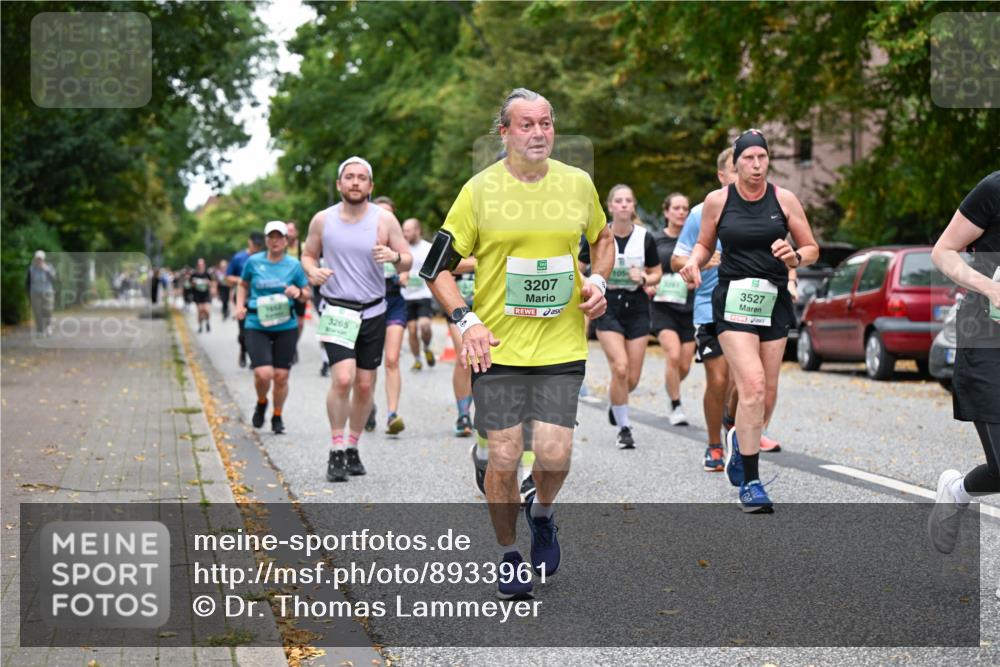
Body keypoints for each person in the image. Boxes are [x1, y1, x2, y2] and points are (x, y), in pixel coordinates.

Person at [424, 88, 612, 599]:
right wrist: (467, 321)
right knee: (505, 456)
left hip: (561, 344)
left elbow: (603, 239)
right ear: (503, 133)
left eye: (546, 123)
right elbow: (434, 268)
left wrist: (598, 282)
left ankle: (543, 514)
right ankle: (509, 555)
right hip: (498, 348)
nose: (538, 133)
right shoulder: (478, 192)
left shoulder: (578, 185)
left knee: (554, 456)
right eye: (526, 125)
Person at [680, 129, 818, 513]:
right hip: (733, 302)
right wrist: (693, 262)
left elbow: (811, 248)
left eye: (762, 158)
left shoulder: (784, 199)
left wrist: (795, 257)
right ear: (735, 163)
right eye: (748, 159)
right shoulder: (717, 201)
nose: (756, 166)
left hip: (772, 302)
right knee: (752, 384)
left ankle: (740, 445)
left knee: (767, 393)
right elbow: (705, 244)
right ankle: (752, 483)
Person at [301, 156, 412, 483]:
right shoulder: (323, 220)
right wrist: (312, 271)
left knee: (365, 385)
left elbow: (407, 260)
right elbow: (308, 253)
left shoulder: (385, 219)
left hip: (374, 310)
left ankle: (352, 446)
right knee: (343, 379)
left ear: (370, 186)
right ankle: (336, 450)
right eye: (349, 177)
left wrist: (393, 257)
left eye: (361, 178)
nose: (355, 182)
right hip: (336, 308)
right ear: (339, 184)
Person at [927, 170, 1000, 553]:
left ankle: (958, 491)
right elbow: (943, 251)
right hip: (987, 342)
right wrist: (989, 287)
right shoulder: (993, 188)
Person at [583, 184, 662, 449]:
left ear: (633, 206)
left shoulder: (645, 237)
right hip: (608, 306)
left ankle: (617, 403)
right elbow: (578, 267)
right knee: (620, 367)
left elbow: (657, 273)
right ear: (610, 206)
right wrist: (588, 285)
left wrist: (645, 278)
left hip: (637, 306)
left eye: (629, 200)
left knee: (632, 378)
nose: (624, 205)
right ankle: (624, 427)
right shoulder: (597, 236)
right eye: (619, 200)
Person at [233, 221, 311, 435]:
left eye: (280, 237)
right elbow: (243, 285)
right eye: (271, 237)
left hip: (286, 324)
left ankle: (277, 415)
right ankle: (261, 402)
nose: (275, 241)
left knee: (281, 376)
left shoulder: (293, 265)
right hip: (257, 323)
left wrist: (298, 293)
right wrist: (240, 305)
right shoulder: (253, 262)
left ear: (286, 241)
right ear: (266, 240)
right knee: (263, 374)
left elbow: (307, 292)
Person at [651, 192, 696, 426]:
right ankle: (676, 404)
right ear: (667, 212)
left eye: (685, 208)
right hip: (662, 306)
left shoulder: (694, 240)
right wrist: (649, 282)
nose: (681, 212)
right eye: (676, 208)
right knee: (673, 354)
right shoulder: (655, 240)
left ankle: (671, 385)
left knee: (685, 364)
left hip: (689, 306)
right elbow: (644, 268)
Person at [372, 196, 406, 434]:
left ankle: (392, 414)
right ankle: (367, 405)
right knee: (368, 363)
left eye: (389, 214)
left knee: (392, 359)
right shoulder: (360, 240)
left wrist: (402, 273)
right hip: (368, 304)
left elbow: (408, 267)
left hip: (394, 301)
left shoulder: (397, 243)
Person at [401, 218, 437, 371]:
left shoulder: (428, 248)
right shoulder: (402, 248)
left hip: (424, 294)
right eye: (404, 230)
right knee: (412, 329)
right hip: (406, 295)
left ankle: (427, 348)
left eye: (408, 230)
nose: (405, 233)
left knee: (425, 326)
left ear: (417, 230)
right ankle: (417, 360)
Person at [228, 232, 265, 368]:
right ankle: (243, 350)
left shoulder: (264, 258)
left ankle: (255, 358)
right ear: (249, 242)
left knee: (258, 330)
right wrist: (243, 280)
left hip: (260, 300)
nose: (257, 248)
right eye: (255, 245)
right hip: (242, 298)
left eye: (259, 245)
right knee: (244, 332)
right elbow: (228, 277)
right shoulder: (238, 258)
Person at [285, 221, 306, 365]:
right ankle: (286, 346)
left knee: (299, 322)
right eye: (287, 231)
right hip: (284, 288)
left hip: (300, 288)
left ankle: (293, 344)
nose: (289, 233)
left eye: (291, 230)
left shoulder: (303, 247)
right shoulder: (281, 248)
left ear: (296, 232)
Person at [26, 250, 57, 336]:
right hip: (35, 293)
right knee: (37, 312)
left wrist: (46, 270)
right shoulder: (31, 269)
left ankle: (48, 326)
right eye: (37, 259)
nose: (39, 260)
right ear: (35, 259)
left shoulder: (49, 267)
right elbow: (28, 282)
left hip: (47, 292)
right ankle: (40, 330)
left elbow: (54, 279)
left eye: (40, 259)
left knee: (48, 310)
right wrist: (29, 294)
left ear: (43, 259)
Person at [190, 258, 215, 333]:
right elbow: (190, 284)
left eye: (202, 264)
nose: (200, 266)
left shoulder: (207, 274)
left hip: (206, 294)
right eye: (199, 264)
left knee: (206, 310)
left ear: (204, 265)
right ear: (197, 265)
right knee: (200, 311)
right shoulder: (194, 274)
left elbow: (212, 283)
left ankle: (207, 322)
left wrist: (208, 283)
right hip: (197, 295)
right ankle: (200, 326)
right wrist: (194, 284)